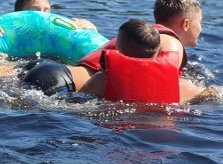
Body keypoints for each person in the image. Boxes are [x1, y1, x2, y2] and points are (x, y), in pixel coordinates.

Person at [78, 19, 209, 104]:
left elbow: (79, 100)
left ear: (117, 48)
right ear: (158, 50)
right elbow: (214, 94)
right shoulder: (181, 86)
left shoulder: (101, 81)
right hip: (163, 134)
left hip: (118, 129)